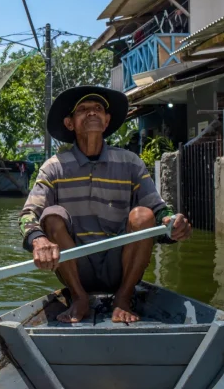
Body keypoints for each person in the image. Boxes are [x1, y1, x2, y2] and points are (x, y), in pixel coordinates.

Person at [18, 86, 192, 324]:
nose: (92, 113)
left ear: (107, 120)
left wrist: (173, 224)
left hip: (120, 265)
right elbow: (29, 214)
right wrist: (38, 240)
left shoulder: (130, 162)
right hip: (76, 266)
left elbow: (158, 209)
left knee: (143, 214)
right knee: (51, 215)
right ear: (70, 123)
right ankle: (79, 298)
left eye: (98, 109)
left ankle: (123, 297)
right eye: (83, 109)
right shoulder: (54, 167)